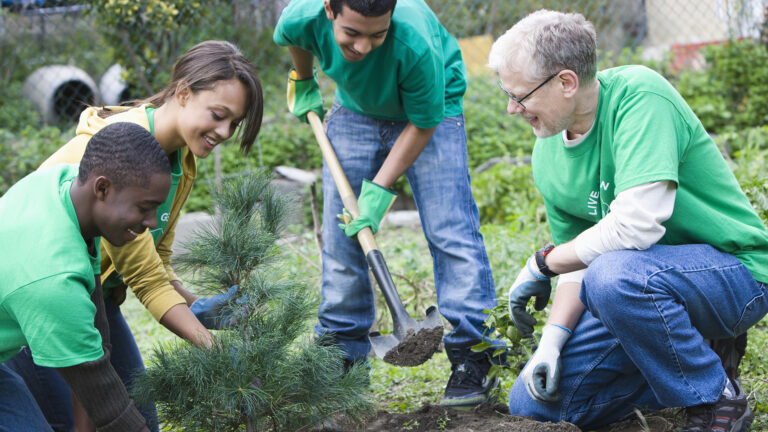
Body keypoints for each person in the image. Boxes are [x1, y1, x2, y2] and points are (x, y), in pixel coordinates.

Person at [489, 10, 768, 432]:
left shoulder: (640, 97)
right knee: (533, 404)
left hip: (734, 273)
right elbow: (579, 261)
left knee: (613, 275)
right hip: (640, 288)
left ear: (565, 82)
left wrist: (542, 263)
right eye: (507, 93)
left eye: (520, 96)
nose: (512, 108)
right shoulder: (547, 150)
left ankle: (716, 400)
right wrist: (552, 340)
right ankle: (698, 353)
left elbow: (636, 226)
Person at [3, 40, 264, 431]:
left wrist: (193, 303)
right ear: (183, 92)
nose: (225, 131)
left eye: (234, 123)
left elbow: (154, 261)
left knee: (133, 417)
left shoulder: (180, 160)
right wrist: (216, 351)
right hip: (40, 305)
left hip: (90, 298)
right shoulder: (108, 161)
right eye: (218, 114)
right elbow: (146, 281)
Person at [273, 0, 501, 408]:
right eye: (352, 35)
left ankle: (473, 356)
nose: (364, 47)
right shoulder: (301, 15)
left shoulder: (413, 42)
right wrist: (304, 78)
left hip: (432, 110)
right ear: (329, 9)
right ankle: (343, 356)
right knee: (342, 236)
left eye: (377, 35)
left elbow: (424, 121)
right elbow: (296, 38)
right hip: (355, 110)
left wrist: (377, 191)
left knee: (450, 229)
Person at [0, 122, 171, 432]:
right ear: (102, 188)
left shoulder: (61, 187)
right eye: (145, 208)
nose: (150, 221)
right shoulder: (53, 278)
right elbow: (106, 401)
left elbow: (96, 335)